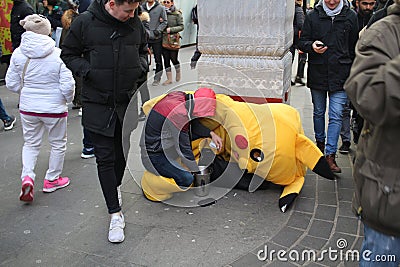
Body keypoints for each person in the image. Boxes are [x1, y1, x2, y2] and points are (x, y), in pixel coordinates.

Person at [61, 0, 147, 243]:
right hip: (97, 103)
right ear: (111, 4)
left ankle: (115, 187)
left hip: (126, 102)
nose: (133, 15)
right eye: (128, 10)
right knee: (105, 158)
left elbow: (143, 49)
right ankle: (115, 213)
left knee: (122, 153)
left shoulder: (134, 24)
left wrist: (140, 66)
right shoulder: (85, 22)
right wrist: (89, 71)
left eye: (135, 10)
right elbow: (67, 53)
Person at [344, 1, 400, 265]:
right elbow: (365, 94)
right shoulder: (383, 31)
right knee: (330, 115)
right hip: (390, 208)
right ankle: (334, 147)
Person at [5, 14, 75, 202]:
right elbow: (68, 85)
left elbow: (11, 83)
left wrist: (26, 92)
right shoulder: (58, 54)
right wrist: (66, 100)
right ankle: (52, 179)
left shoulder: (18, 53)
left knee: (30, 144)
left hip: (28, 108)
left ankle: (27, 176)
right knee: (58, 143)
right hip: (54, 108)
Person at [298, 0, 358, 173]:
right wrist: (312, 46)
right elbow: (302, 42)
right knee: (318, 112)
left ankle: (330, 154)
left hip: (341, 73)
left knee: (336, 114)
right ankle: (319, 146)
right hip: (318, 72)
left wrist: (354, 71)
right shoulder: (312, 16)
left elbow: (354, 47)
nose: (332, 2)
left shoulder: (350, 17)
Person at [141, 88, 223, 188]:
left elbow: (193, 123)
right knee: (187, 178)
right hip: (153, 156)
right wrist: (196, 171)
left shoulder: (181, 97)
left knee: (199, 137)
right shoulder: (179, 114)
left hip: (164, 145)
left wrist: (211, 134)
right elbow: (183, 148)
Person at [339, 0, 376, 154]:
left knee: (362, 108)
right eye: (365, 3)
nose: (368, 7)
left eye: (372, 4)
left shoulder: (377, 19)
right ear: (357, 3)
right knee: (345, 107)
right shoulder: (350, 17)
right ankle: (346, 140)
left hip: (368, 70)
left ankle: (359, 134)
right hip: (349, 67)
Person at [142, 0, 167, 86]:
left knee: (158, 59)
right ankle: (143, 80)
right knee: (143, 59)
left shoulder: (160, 8)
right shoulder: (142, 7)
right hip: (144, 38)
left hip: (156, 37)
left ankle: (157, 79)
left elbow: (164, 21)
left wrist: (158, 30)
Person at [160, 0, 183, 85]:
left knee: (174, 59)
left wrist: (172, 29)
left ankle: (178, 72)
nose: (166, 4)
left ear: (172, 3)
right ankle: (169, 79)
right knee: (166, 60)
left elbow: (181, 26)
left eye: (168, 2)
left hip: (173, 39)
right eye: (164, 2)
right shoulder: (161, 13)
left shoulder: (177, 14)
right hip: (163, 39)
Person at [290, 0, 306, 86]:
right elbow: (301, 24)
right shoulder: (298, 9)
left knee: (290, 57)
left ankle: (288, 78)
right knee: (302, 57)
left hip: (290, 36)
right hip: (297, 37)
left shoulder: (289, 9)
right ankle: (299, 76)